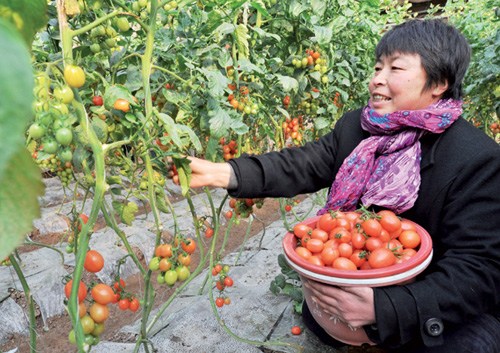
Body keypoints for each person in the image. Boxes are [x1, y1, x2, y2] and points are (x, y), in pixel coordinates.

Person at [172, 19, 500, 353]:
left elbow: (478, 271)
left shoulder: (477, 159)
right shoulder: (356, 128)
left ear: (439, 83)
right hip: (357, 276)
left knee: (470, 344)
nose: (376, 80)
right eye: (377, 67)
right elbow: (303, 163)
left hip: (434, 307)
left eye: (395, 68)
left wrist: (384, 308)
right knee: (320, 321)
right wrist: (222, 173)